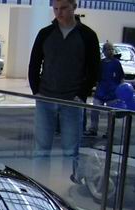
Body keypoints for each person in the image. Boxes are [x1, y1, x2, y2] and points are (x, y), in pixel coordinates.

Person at [28, 0, 100, 184]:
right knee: (41, 150)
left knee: (70, 151)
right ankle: (40, 186)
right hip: (45, 100)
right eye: (55, 9)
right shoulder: (45, 33)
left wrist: (81, 95)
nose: (59, 13)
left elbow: (93, 69)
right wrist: (37, 91)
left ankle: (67, 188)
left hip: (72, 102)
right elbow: (34, 64)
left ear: (74, 7)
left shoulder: (88, 35)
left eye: (63, 8)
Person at [85, 42, 124, 136]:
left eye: (111, 49)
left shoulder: (116, 63)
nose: (110, 51)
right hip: (101, 90)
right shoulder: (101, 63)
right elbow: (97, 78)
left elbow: (121, 78)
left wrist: (120, 92)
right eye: (108, 49)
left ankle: (109, 132)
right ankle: (93, 129)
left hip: (112, 92)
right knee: (95, 110)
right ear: (104, 51)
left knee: (111, 113)